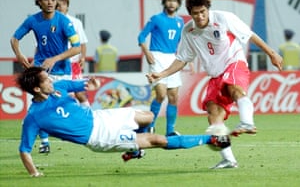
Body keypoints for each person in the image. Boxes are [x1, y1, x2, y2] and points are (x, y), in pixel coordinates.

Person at [147, 0, 283, 169]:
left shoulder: (224, 18)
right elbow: (182, 60)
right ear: (190, 13)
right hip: (215, 75)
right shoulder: (189, 31)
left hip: (234, 63)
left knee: (233, 88)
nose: (200, 16)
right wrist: (161, 74)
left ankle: (248, 123)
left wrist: (272, 53)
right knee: (213, 115)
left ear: (208, 9)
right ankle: (229, 159)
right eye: (196, 13)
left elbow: (249, 35)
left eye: (203, 12)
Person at [16, 66, 230, 177]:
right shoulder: (34, 117)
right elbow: (24, 150)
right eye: (46, 80)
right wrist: (34, 173)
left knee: (148, 116)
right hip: (100, 137)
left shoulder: (59, 87)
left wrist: (90, 82)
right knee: (157, 139)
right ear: (36, 88)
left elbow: (81, 84)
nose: (51, 81)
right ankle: (211, 139)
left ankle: (135, 150)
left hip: (101, 117)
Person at [10, 0, 81, 154]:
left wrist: (55, 58)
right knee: (40, 102)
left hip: (62, 70)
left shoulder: (64, 21)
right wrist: (19, 55)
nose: (50, 2)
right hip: (41, 69)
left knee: (61, 104)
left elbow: (77, 48)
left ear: (56, 2)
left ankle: (77, 129)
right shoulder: (32, 21)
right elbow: (14, 38)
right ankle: (44, 141)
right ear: (39, 2)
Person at [138, 0, 187, 136]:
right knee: (160, 94)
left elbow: (181, 42)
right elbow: (141, 36)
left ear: (178, 4)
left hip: (172, 58)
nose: (171, 3)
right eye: (169, 0)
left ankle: (170, 131)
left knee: (173, 97)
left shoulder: (180, 22)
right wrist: (147, 53)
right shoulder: (156, 19)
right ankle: (150, 126)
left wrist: (184, 59)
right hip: (157, 57)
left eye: (174, 1)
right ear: (164, 3)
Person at [56, 0, 90, 107]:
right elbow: (39, 46)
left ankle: (88, 116)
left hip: (73, 64)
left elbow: (82, 43)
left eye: (63, 4)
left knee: (80, 93)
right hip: (57, 66)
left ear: (67, 6)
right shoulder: (49, 23)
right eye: (58, 5)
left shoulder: (76, 22)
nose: (60, 7)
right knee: (62, 95)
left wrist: (83, 58)